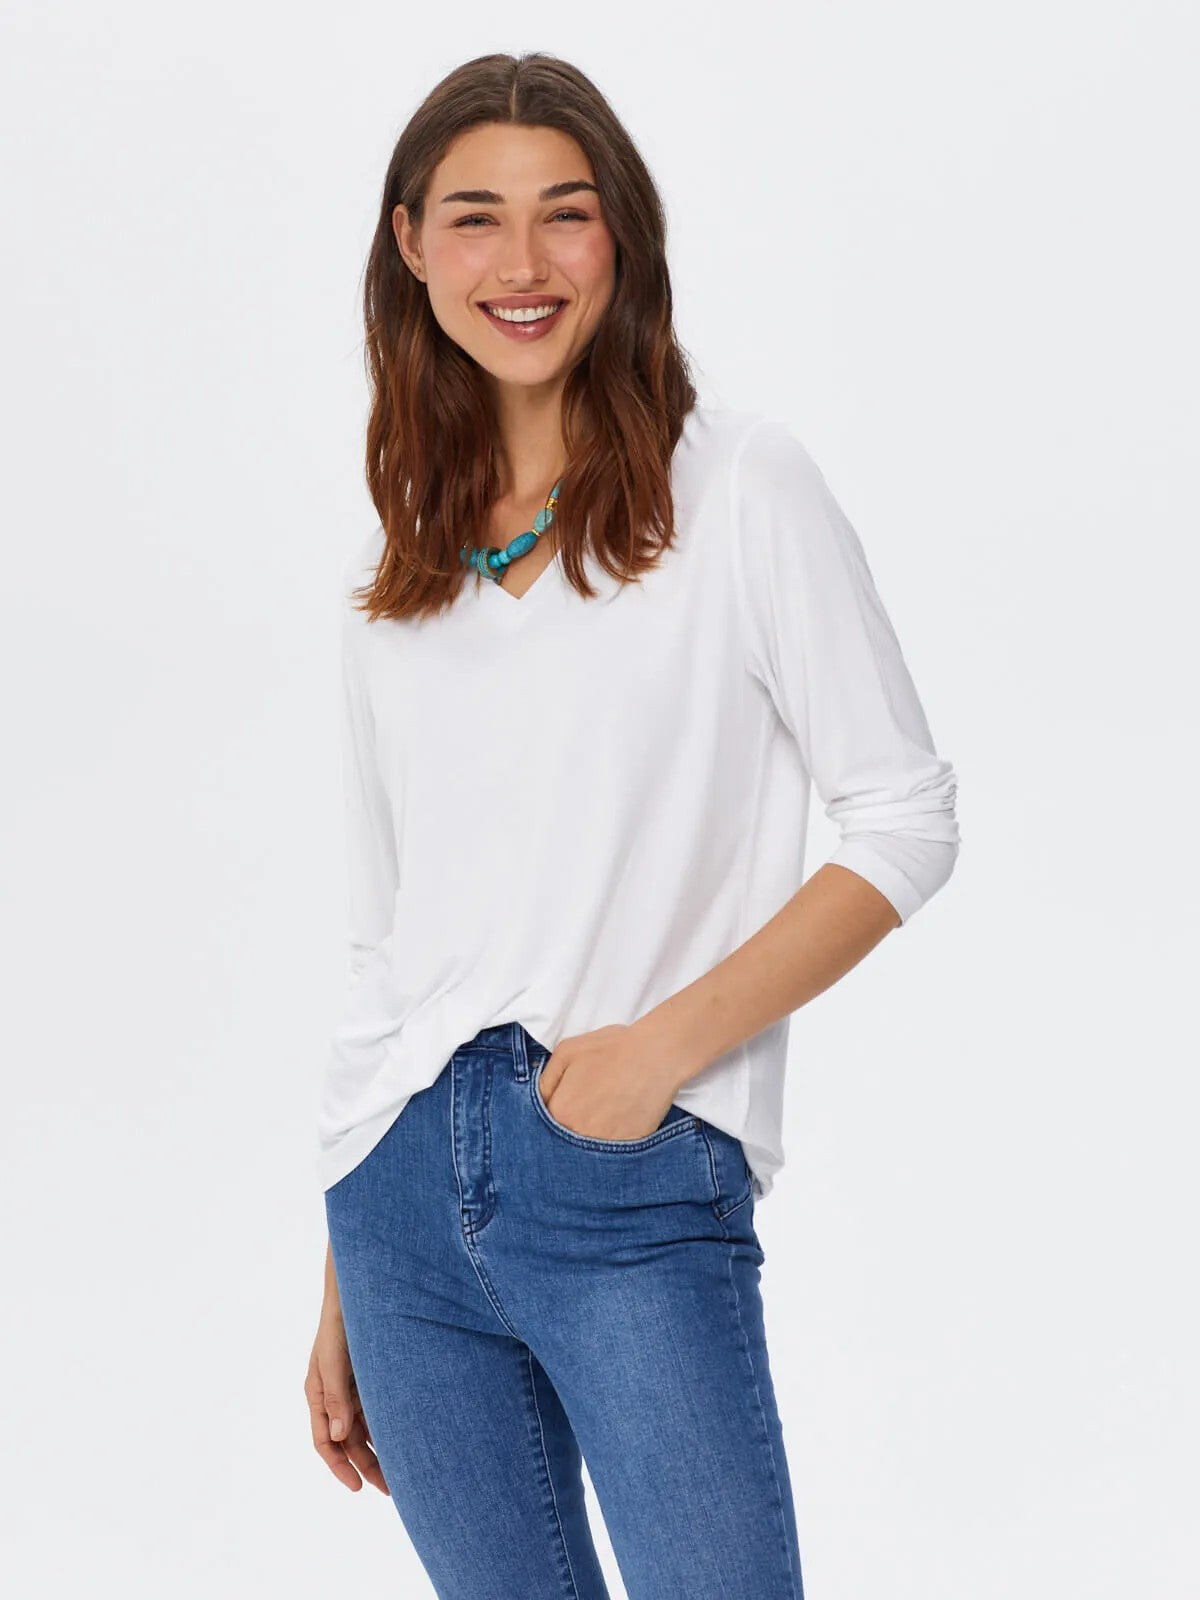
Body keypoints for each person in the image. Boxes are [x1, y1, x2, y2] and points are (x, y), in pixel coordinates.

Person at [304, 51, 961, 1600]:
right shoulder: (400, 571)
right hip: (395, 1205)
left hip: (627, 1175)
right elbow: (387, 941)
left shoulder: (735, 489)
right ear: (411, 245)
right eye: (475, 217)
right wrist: (341, 1262)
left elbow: (904, 818)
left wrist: (657, 1055)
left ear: (622, 237)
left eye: (565, 212)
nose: (520, 263)